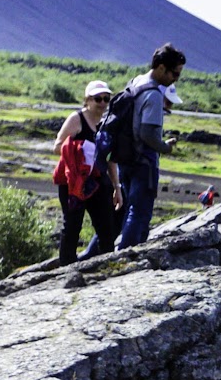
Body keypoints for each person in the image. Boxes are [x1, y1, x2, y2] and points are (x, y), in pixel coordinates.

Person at [114, 44, 186, 249]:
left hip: (125, 158)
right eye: (175, 73)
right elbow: (147, 134)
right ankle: (127, 257)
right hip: (142, 162)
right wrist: (165, 147)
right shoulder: (153, 94)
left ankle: (104, 253)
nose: (175, 79)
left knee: (124, 210)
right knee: (139, 212)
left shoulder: (135, 81)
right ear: (161, 68)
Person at [54, 80, 121, 263]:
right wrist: (80, 148)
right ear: (87, 100)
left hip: (98, 182)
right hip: (74, 182)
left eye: (106, 99)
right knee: (73, 226)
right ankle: (66, 269)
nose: (102, 103)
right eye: (97, 98)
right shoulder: (76, 119)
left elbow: (111, 159)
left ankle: (107, 266)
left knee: (107, 226)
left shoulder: (108, 123)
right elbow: (57, 147)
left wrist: (117, 187)